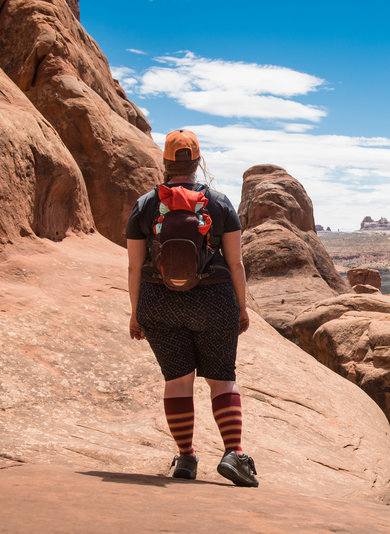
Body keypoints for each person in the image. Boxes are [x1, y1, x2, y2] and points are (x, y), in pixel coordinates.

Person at [125, 129, 258, 487]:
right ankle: (234, 454)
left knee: (178, 381)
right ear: (197, 163)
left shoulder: (145, 204)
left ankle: (186, 458)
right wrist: (241, 308)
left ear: (166, 163)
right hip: (213, 301)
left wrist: (136, 312)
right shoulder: (220, 202)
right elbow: (236, 264)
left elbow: (135, 266)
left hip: (158, 302)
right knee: (222, 378)